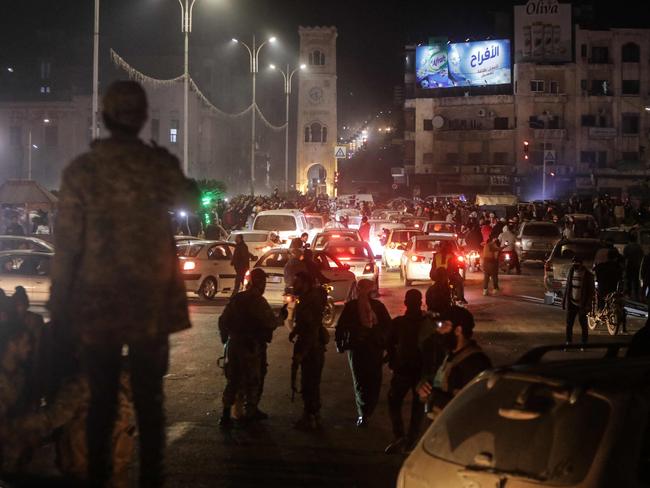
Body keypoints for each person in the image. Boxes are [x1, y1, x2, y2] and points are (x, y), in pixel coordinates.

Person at [49, 80, 198, 488]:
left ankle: (99, 478)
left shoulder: (82, 171)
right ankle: (152, 479)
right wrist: (164, 158)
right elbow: (192, 197)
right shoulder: (157, 167)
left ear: (104, 117)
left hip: (97, 304)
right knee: (150, 403)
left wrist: (57, 307)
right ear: (144, 119)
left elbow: (66, 247)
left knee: (101, 401)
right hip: (151, 305)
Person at [218, 268, 285, 427]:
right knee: (253, 379)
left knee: (233, 379)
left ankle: (226, 415)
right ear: (259, 282)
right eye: (263, 282)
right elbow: (270, 322)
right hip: (251, 347)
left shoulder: (238, 298)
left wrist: (225, 339)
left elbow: (223, 320)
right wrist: (282, 317)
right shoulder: (258, 301)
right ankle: (250, 411)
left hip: (234, 345)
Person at [385, 290, 438, 454]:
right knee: (418, 407)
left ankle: (400, 436)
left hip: (404, 369)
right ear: (420, 302)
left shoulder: (399, 323)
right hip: (422, 371)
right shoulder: (429, 322)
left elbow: (389, 343)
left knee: (394, 402)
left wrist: (392, 359)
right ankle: (410, 441)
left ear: (406, 303)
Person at [335, 279, 391, 427]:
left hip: (370, 348)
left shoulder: (376, 307)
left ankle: (366, 411)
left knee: (368, 381)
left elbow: (388, 328)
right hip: (360, 348)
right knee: (365, 380)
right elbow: (341, 327)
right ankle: (364, 412)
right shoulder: (353, 307)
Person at [417, 306, 491, 418]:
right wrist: (424, 386)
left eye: (443, 325)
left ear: (458, 330)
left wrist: (433, 397)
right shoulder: (451, 355)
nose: (438, 330)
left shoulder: (475, 364)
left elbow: (473, 410)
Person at [290, 272, 329, 430]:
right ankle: (313, 416)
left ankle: (311, 417)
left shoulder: (309, 301)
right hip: (313, 347)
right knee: (311, 383)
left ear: (305, 283)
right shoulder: (309, 298)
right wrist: (295, 331)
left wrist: (302, 353)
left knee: (309, 383)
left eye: (297, 282)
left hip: (311, 349)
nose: (294, 285)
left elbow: (311, 329)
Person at [562, 256, 595, 346]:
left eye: (577, 264)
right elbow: (568, 287)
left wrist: (588, 304)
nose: (575, 266)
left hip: (582, 304)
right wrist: (564, 301)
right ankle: (568, 342)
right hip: (571, 302)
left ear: (581, 264)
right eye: (574, 263)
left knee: (583, 324)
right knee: (569, 324)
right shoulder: (571, 272)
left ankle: (584, 343)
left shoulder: (588, 275)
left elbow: (591, 292)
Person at [623, 234, 643, 302]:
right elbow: (641, 256)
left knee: (629, 280)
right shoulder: (638, 247)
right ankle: (636, 295)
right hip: (637, 265)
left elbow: (625, 257)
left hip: (630, 265)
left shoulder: (627, 247)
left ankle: (628, 294)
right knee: (636, 280)